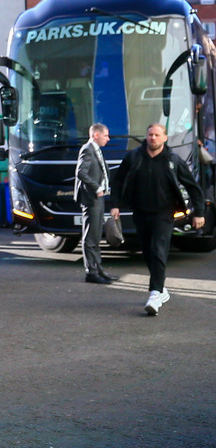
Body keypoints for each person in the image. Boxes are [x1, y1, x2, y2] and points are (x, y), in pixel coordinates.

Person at [110, 122, 206, 316]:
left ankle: (154, 294)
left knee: (158, 250)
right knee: (147, 252)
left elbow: (193, 187)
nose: (152, 138)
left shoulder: (173, 160)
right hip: (141, 212)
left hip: (164, 213)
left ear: (164, 138)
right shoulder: (134, 157)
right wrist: (115, 204)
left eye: (156, 135)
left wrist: (199, 213)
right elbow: (118, 181)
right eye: (150, 135)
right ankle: (161, 288)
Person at [75, 123, 115, 284]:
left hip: (99, 197)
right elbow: (81, 172)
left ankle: (98, 269)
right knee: (91, 236)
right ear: (96, 135)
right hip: (91, 198)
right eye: (106, 135)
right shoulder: (87, 149)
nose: (108, 138)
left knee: (96, 235)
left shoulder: (96, 150)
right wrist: (97, 187)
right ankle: (91, 272)